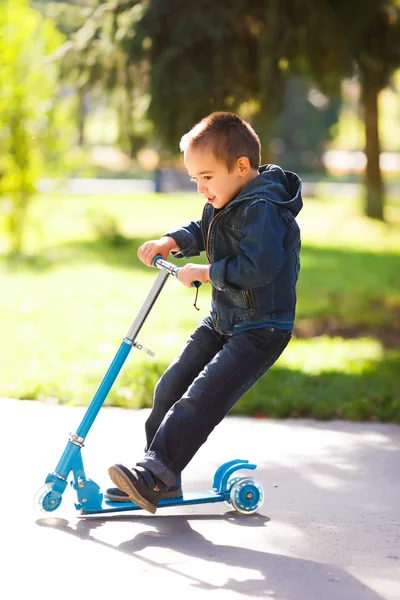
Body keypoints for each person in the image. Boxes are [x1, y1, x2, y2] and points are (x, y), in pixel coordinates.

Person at [106, 111, 302, 514]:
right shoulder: (227, 198)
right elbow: (204, 229)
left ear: (241, 167)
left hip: (261, 327)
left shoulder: (263, 207)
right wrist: (170, 241)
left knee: (201, 398)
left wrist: (207, 272)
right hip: (225, 318)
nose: (201, 188)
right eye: (195, 179)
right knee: (170, 387)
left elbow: (259, 267)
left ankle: (154, 474)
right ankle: (160, 478)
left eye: (206, 177)